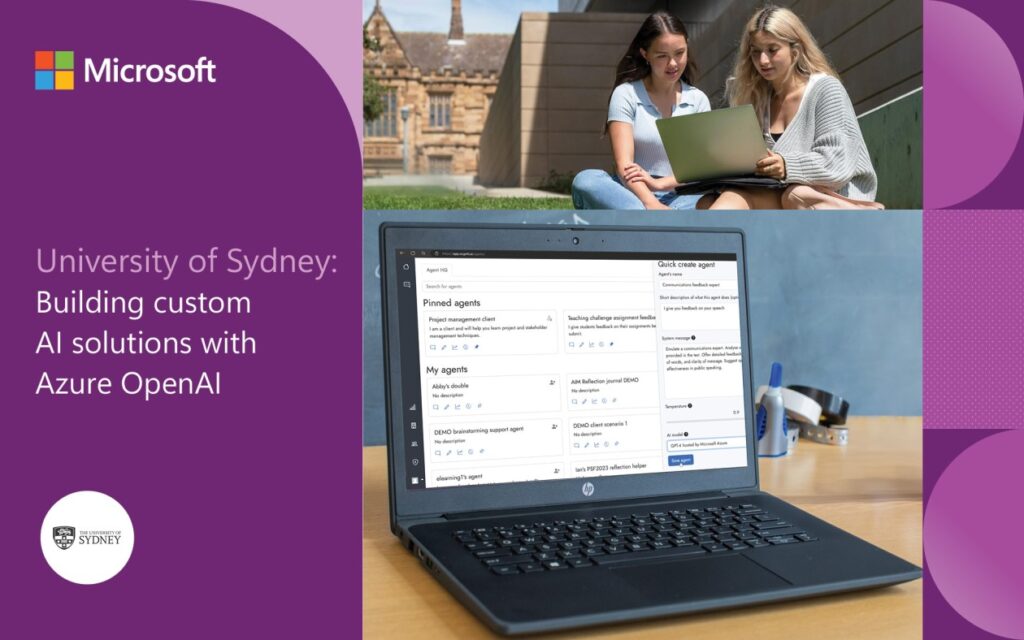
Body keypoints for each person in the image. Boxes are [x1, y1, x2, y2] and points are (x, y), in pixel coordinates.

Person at [701, 5, 882, 210]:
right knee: (707, 202)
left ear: (795, 51)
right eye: (756, 52)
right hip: (782, 195)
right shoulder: (759, 101)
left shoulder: (825, 89)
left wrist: (786, 165)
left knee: (793, 195)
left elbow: (837, 162)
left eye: (772, 50)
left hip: (833, 197)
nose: (763, 60)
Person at [572, 12, 710, 210]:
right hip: (633, 194)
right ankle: (650, 219)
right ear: (645, 54)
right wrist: (650, 202)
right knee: (586, 180)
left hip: (682, 195)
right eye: (662, 56)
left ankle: (645, 222)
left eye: (679, 53)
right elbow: (624, 165)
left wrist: (661, 185)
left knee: (719, 198)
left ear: (687, 46)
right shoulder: (626, 94)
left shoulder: (698, 100)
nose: (673, 63)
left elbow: (700, 169)